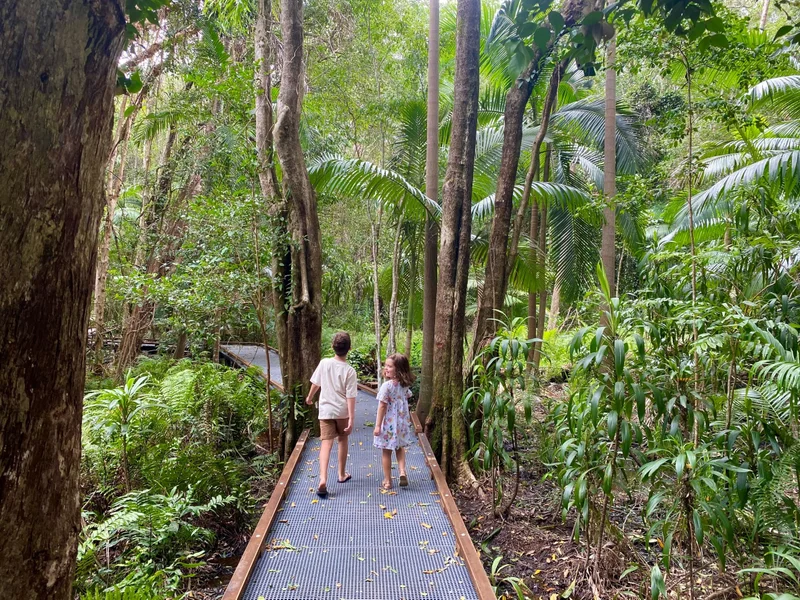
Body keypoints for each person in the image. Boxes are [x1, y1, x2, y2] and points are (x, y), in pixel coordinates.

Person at [305, 332, 358, 498]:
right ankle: (341, 474)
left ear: (332, 347)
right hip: (342, 412)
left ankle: (323, 478)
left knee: (326, 444)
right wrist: (351, 418)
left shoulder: (324, 363)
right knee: (342, 440)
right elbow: (350, 396)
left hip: (326, 411)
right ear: (349, 348)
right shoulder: (350, 371)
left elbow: (316, 383)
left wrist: (309, 397)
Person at [373, 353, 416, 490]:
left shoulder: (387, 386)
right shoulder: (404, 386)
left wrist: (378, 425)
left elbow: (382, 406)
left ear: (398, 369)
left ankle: (387, 480)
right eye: (385, 365)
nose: (386, 368)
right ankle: (402, 471)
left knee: (386, 451)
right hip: (401, 424)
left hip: (388, 424)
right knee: (399, 447)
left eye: (389, 366)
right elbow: (405, 400)